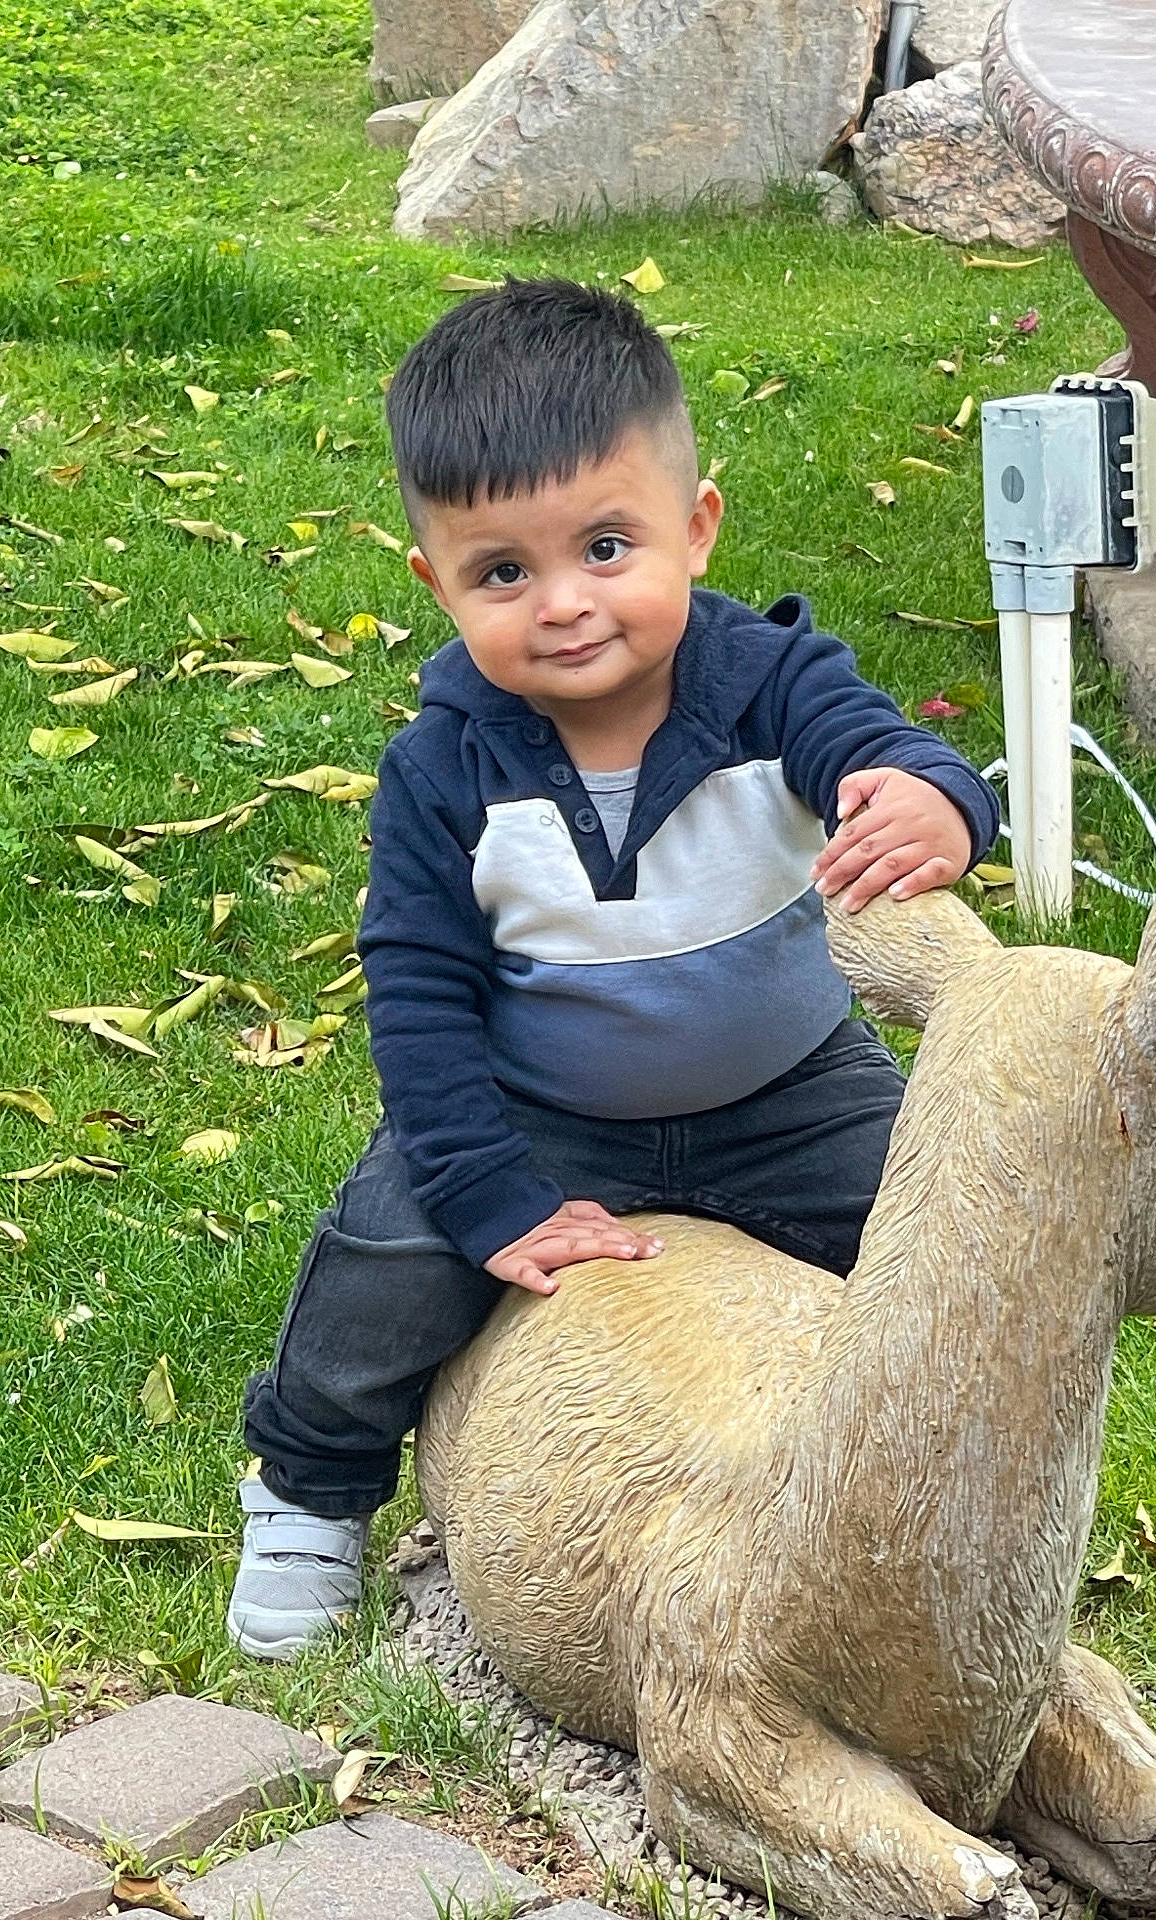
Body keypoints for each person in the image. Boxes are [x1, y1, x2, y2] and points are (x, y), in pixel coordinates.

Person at [228, 276, 1000, 1659]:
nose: (565, 605)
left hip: (790, 1089)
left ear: (694, 530)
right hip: (542, 1104)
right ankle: (309, 1488)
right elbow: (418, 1003)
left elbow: (879, 747)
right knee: (385, 1254)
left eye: (604, 546)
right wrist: (489, 1190)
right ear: (436, 583)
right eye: (503, 573)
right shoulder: (442, 771)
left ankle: (947, 1497)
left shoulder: (770, 684)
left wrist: (929, 797)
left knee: (939, 1239)